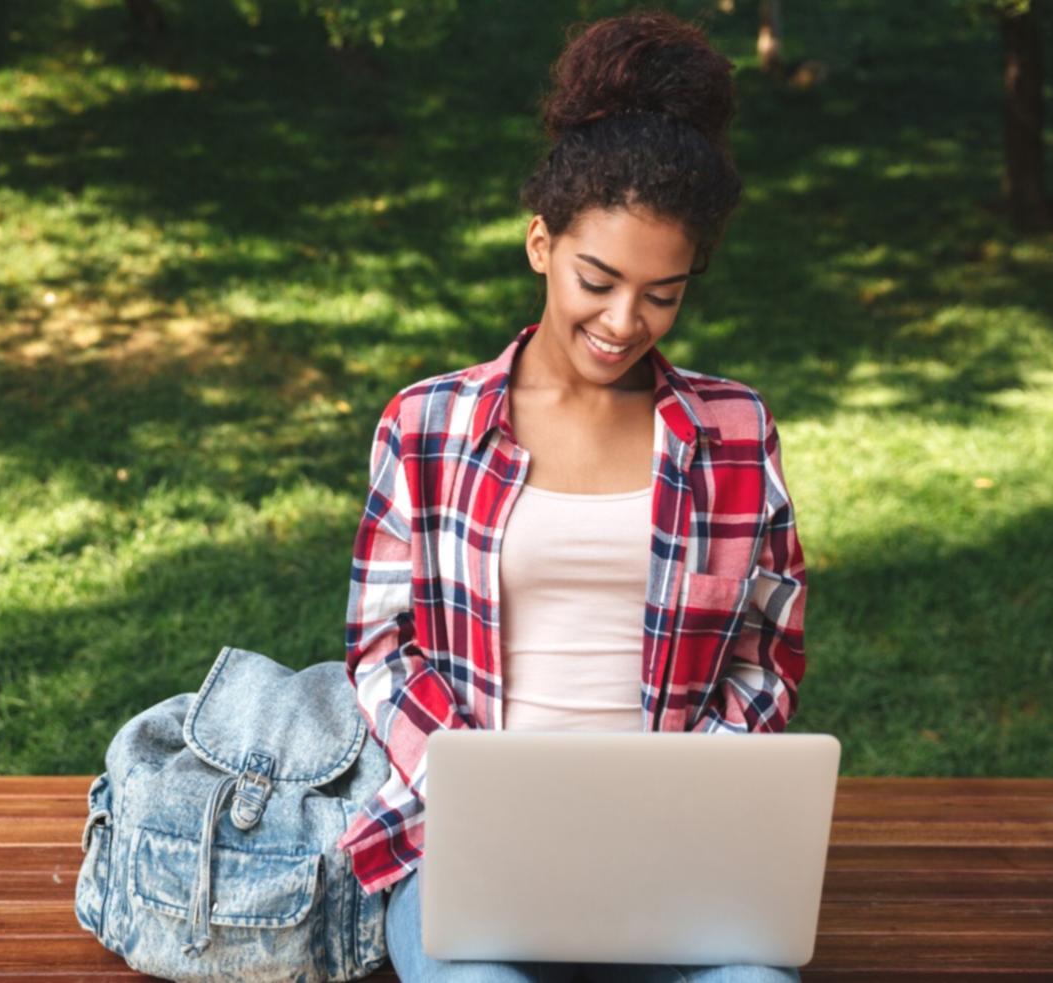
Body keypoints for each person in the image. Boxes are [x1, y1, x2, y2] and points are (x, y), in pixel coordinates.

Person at [332, 10, 809, 983]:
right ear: (539, 242)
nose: (623, 319)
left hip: (675, 843)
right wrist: (475, 789)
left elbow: (766, 652)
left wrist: (686, 790)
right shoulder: (427, 424)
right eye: (598, 277)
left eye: (663, 292)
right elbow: (380, 650)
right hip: (463, 839)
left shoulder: (733, 431)